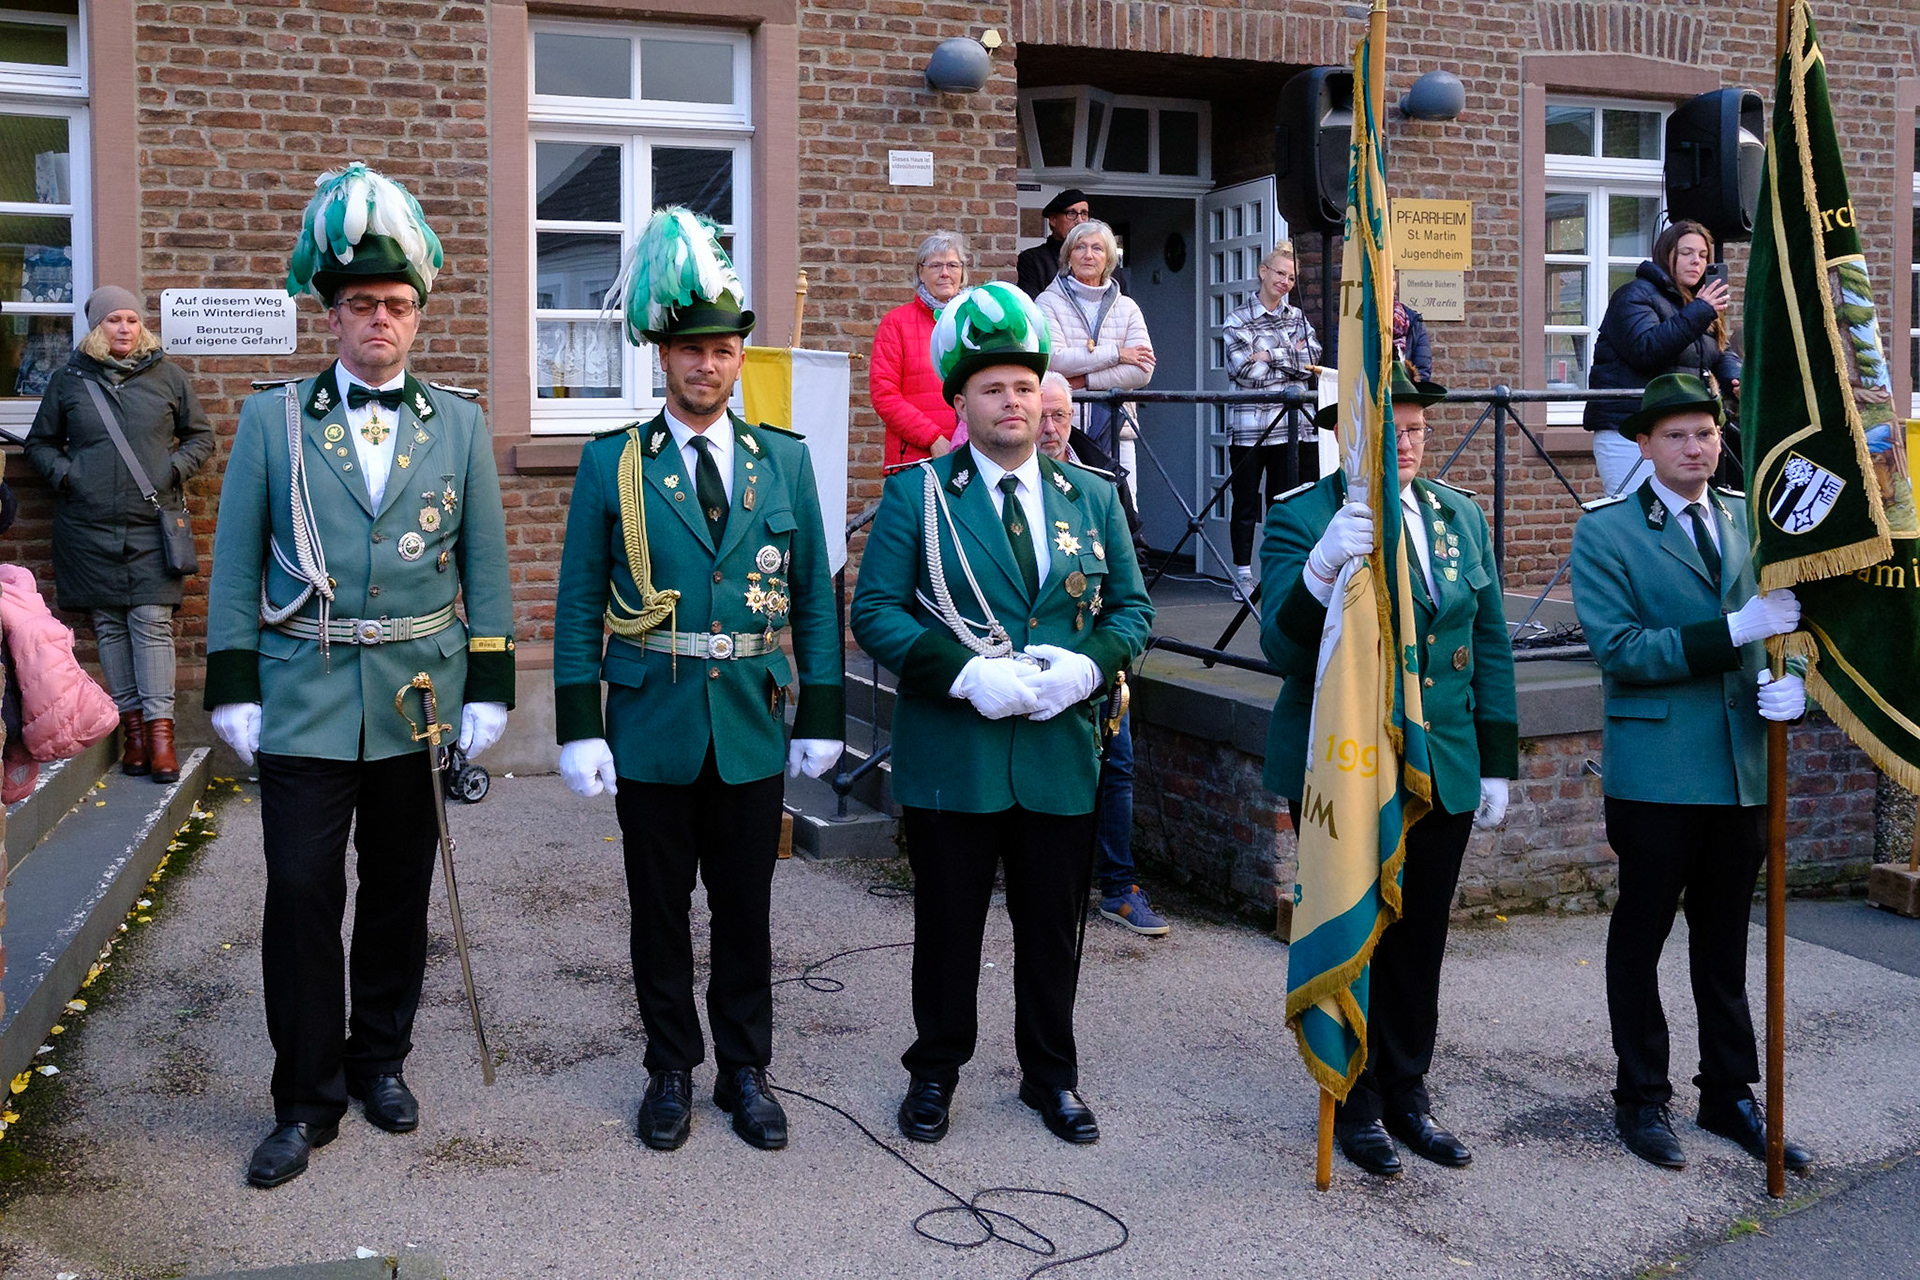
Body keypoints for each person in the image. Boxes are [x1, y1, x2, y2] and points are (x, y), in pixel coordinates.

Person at [204, 164, 515, 1190]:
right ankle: (305, 1095)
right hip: (303, 687)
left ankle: (380, 1057)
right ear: (330, 315)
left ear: (417, 314)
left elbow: (485, 566)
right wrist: (232, 684)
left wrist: (491, 686)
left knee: (397, 890)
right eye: (359, 305)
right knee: (298, 890)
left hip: (416, 695)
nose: (378, 319)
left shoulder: (461, 423)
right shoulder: (274, 418)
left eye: (394, 305)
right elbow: (237, 558)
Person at [553, 207, 844, 1155]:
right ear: (661, 357)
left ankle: (746, 1071)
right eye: (689, 351)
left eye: (721, 350)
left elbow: (812, 598)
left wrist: (823, 709)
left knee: (748, 909)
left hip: (753, 721)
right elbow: (576, 603)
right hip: (652, 721)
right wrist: (578, 725)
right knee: (658, 910)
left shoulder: (784, 463)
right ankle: (670, 1068)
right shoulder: (614, 467)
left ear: (737, 358)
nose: (706, 367)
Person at [850, 282, 1152, 1146]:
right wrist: (965, 675)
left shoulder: (1090, 496)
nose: (1012, 401)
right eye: (993, 388)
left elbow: (1133, 611)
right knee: (947, 927)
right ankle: (936, 1070)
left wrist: (1087, 671)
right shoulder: (920, 496)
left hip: (1059, 750)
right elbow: (876, 613)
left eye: (1025, 385)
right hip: (957, 749)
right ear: (961, 402)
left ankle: (1050, 1077)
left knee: (1052, 930)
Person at [1259, 362, 1517, 1179]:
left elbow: (1493, 642)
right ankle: (1355, 1097)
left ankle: (1407, 1090)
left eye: (1416, 428)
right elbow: (1281, 644)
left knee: (1421, 935)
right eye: (1388, 428)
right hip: (1345, 764)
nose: (1405, 442)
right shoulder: (1306, 516)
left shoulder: (1458, 516)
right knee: (1357, 929)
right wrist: (1323, 566)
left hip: (1440, 760)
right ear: (1349, 435)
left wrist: (1498, 758)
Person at [1569, 372, 1812, 1175]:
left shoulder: (1748, 520)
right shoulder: (1608, 533)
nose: (1696, 449)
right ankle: (1641, 1098)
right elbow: (1622, 650)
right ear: (1642, 445)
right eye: (1676, 436)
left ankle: (1729, 1091)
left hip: (1741, 764)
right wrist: (1733, 629)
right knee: (1641, 938)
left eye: (1705, 434)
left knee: (1725, 940)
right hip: (1657, 772)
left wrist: (1794, 677)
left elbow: (1791, 620)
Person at [25, 285, 214, 784]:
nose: (125, 327)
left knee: (151, 622)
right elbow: (40, 443)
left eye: (131, 319)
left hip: (152, 523)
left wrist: (172, 469)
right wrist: (68, 476)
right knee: (109, 624)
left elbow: (201, 435)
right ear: (96, 328)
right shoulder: (69, 381)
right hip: (87, 525)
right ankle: (133, 735)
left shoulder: (167, 377)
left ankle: (160, 736)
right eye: (113, 320)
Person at [1037, 372, 1164, 937]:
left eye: (1059, 416)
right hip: (1024, 654)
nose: (1048, 427)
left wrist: (1105, 644)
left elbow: (1133, 557)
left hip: (1095, 653)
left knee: (1117, 765)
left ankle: (1118, 886)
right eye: (1041, 414)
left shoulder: (1102, 480)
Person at [1584, 219, 1742, 496]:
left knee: (1682, 517)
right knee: (1635, 516)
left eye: (1703, 256)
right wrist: (1700, 311)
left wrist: (1735, 378)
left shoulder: (1696, 305)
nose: (1696, 261)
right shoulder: (1634, 295)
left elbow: (1719, 352)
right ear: (1666, 254)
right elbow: (1645, 350)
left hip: (1680, 430)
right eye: (1686, 253)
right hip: (1629, 431)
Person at [1222, 242, 1322, 593]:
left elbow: (1311, 364)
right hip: (1250, 427)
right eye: (1280, 273)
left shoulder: (1297, 318)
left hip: (1292, 427)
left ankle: (1277, 572)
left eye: (1291, 277)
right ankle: (1242, 575)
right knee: (1245, 502)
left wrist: (1267, 353)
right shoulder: (1237, 319)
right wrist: (1285, 357)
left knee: (1283, 502)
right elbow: (1246, 371)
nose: (1286, 282)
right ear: (1263, 272)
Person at [1036, 220, 1153, 503]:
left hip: (1117, 425)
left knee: (1123, 507)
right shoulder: (1046, 302)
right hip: (1063, 426)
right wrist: (1116, 353)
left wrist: (1086, 381)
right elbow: (1055, 360)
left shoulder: (1128, 307)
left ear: (1109, 259)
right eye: (1080, 247)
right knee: (1062, 504)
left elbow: (1143, 370)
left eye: (1097, 248)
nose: (1088, 255)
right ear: (1068, 256)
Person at [871, 231, 968, 467]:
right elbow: (884, 394)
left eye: (952, 265)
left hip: (972, 456)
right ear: (920, 272)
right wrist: (932, 437)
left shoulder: (975, 321)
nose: (945, 273)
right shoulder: (896, 323)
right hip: (917, 457)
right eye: (935, 265)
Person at [1016, 188, 1130, 300]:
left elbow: (1122, 303)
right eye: (1071, 213)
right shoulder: (1033, 259)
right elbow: (1031, 308)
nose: (1080, 220)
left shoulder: (1103, 259)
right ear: (1053, 219)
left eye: (1084, 214)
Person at [1394, 294, 1432, 381]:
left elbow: (1422, 370)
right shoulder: (1365, 319)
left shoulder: (1414, 322)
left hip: (1406, 390)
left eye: (1392, 280)